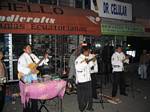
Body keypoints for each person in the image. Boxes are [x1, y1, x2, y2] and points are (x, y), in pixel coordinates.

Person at [17, 44, 49, 112]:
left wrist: (45, 58)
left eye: (30, 48)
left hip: (34, 78)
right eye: (28, 48)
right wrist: (30, 70)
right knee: (27, 96)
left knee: (35, 94)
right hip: (26, 79)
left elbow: (39, 63)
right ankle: (26, 110)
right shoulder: (22, 58)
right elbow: (20, 68)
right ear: (24, 50)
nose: (30, 49)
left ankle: (35, 109)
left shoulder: (33, 55)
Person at [75, 46, 95, 112]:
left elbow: (90, 66)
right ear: (85, 51)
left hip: (88, 79)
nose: (89, 52)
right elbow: (78, 68)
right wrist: (86, 62)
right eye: (88, 51)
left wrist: (93, 60)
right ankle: (81, 108)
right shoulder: (78, 59)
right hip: (81, 81)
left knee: (89, 95)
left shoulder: (87, 57)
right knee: (81, 97)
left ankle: (89, 107)